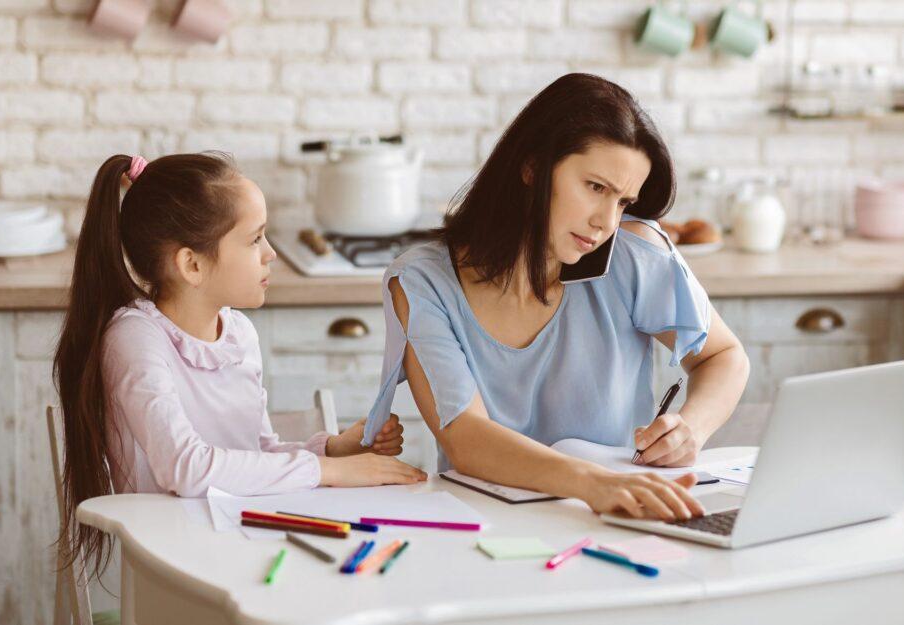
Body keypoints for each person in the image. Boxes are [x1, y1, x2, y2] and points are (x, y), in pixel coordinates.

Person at [363, 74, 750, 522]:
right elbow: (464, 436)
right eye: (596, 187)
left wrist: (692, 429)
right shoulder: (422, 281)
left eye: (623, 201)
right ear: (532, 168)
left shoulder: (633, 256)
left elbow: (724, 355)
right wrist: (591, 483)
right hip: (489, 530)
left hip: (616, 519)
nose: (606, 221)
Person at [54, 152, 426, 575]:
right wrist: (329, 471)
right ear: (192, 264)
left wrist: (333, 448)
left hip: (240, 548)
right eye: (255, 239)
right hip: (170, 569)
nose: (270, 254)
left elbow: (255, 453)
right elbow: (187, 468)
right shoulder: (136, 338)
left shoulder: (240, 335)